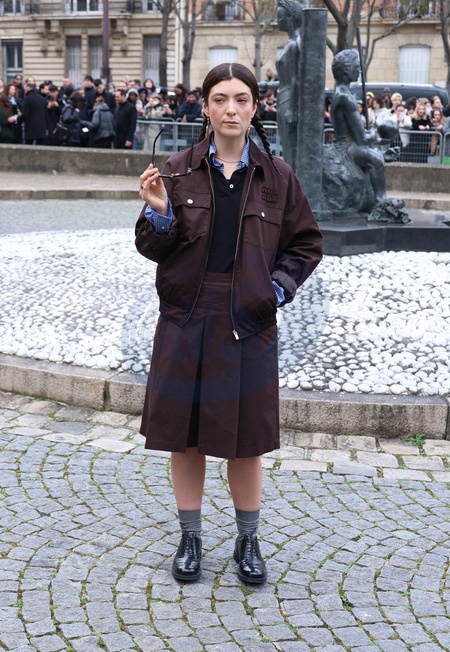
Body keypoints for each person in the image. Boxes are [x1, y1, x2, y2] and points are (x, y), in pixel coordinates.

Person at [135, 62, 323, 585]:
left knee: (246, 440)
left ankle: (248, 540)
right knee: (186, 437)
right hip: (185, 317)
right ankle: (190, 538)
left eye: (241, 99)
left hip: (249, 321)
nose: (231, 109)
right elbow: (152, 247)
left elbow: (306, 244)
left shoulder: (278, 177)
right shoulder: (177, 170)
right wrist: (159, 214)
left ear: (255, 107)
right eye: (220, 99)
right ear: (205, 107)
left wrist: (274, 289)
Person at [275, 0, 303, 173]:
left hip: (289, 101)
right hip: (283, 97)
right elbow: (286, 79)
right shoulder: (290, 42)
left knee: (291, 149)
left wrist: (292, 110)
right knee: (286, 146)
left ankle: (293, 184)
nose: (277, 20)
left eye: (280, 17)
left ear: (291, 17)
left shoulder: (295, 44)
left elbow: (296, 79)